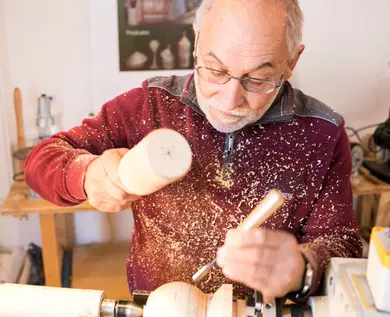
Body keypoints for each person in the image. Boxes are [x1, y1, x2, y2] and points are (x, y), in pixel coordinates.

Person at [25, 0, 362, 303]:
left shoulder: (322, 133)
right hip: (157, 306)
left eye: (258, 79)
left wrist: (303, 269)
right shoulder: (150, 106)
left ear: (291, 62)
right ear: (196, 42)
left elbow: (341, 244)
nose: (230, 100)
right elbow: (43, 160)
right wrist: (85, 174)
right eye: (215, 70)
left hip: (262, 311)